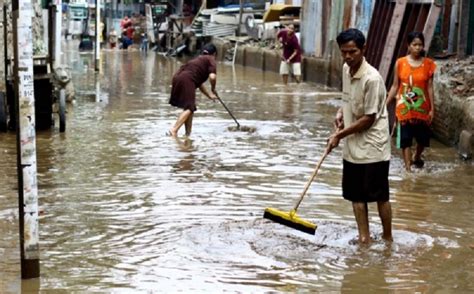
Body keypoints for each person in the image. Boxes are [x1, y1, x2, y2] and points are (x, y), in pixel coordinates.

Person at [327, 28, 392, 244]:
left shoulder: (372, 79)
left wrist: (339, 135)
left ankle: (387, 237)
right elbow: (347, 100)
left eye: (352, 51)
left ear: (364, 49)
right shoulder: (347, 69)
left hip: (374, 146)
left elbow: (368, 119)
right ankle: (364, 238)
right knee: (356, 195)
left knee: (380, 195)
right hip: (353, 144)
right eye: (344, 52)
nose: (347, 56)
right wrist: (340, 114)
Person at [386, 32, 436, 172]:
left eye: (420, 45)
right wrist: (385, 103)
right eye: (414, 45)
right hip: (404, 107)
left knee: (423, 139)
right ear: (408, 46)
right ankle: (408, 169)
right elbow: (395, 86)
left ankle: (416, 156)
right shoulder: (400, 63)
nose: (417, 48)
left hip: (422, 108)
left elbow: (430, 87)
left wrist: (432, 108)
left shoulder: (429, 65)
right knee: (405, 139)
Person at [168, 43, 218, 137]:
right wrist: (213, 88)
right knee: (190, 108)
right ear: (214, 54)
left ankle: (188, 134)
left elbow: (198, 83)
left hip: (178, 77)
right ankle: (174, 130)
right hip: (186, 79)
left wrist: (209, 95)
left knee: (189, 107)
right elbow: (212, 77)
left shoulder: (198, 59)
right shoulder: (211, 59)